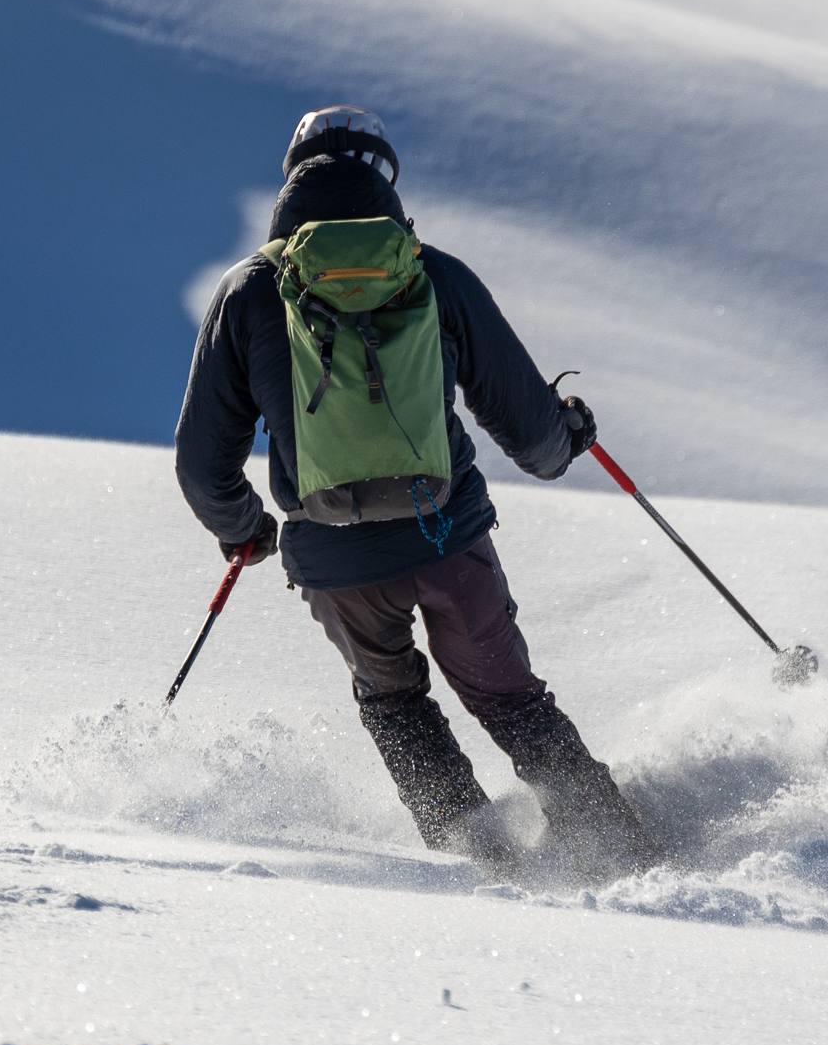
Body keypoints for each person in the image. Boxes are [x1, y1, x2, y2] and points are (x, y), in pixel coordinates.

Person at [172, 106, 661, 880]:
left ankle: (481, 865)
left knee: (394, 701)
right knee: (512, 703)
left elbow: (203, 464)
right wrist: (568, 433)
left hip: (336, 563)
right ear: (384, 178)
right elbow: (534, 441)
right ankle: (625, 855)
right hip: (447, 537)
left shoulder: (251, 292)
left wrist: (246, 531)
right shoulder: (433, 274)